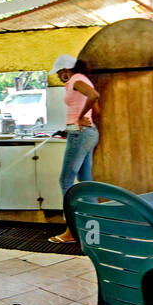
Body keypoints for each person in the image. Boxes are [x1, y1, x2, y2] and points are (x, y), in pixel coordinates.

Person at [48, 54, 100, 244]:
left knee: (65, 180)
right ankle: (94, 226)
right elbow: (95, 108)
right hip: (84, 132)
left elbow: (94, 96)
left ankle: (71, 230)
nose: (59, 75)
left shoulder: (77, 80)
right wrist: (73, 124)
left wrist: (78, 118)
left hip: (80, 134)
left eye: (60, 72)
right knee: (85, 180)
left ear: (66, 70)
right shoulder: (80, 80)